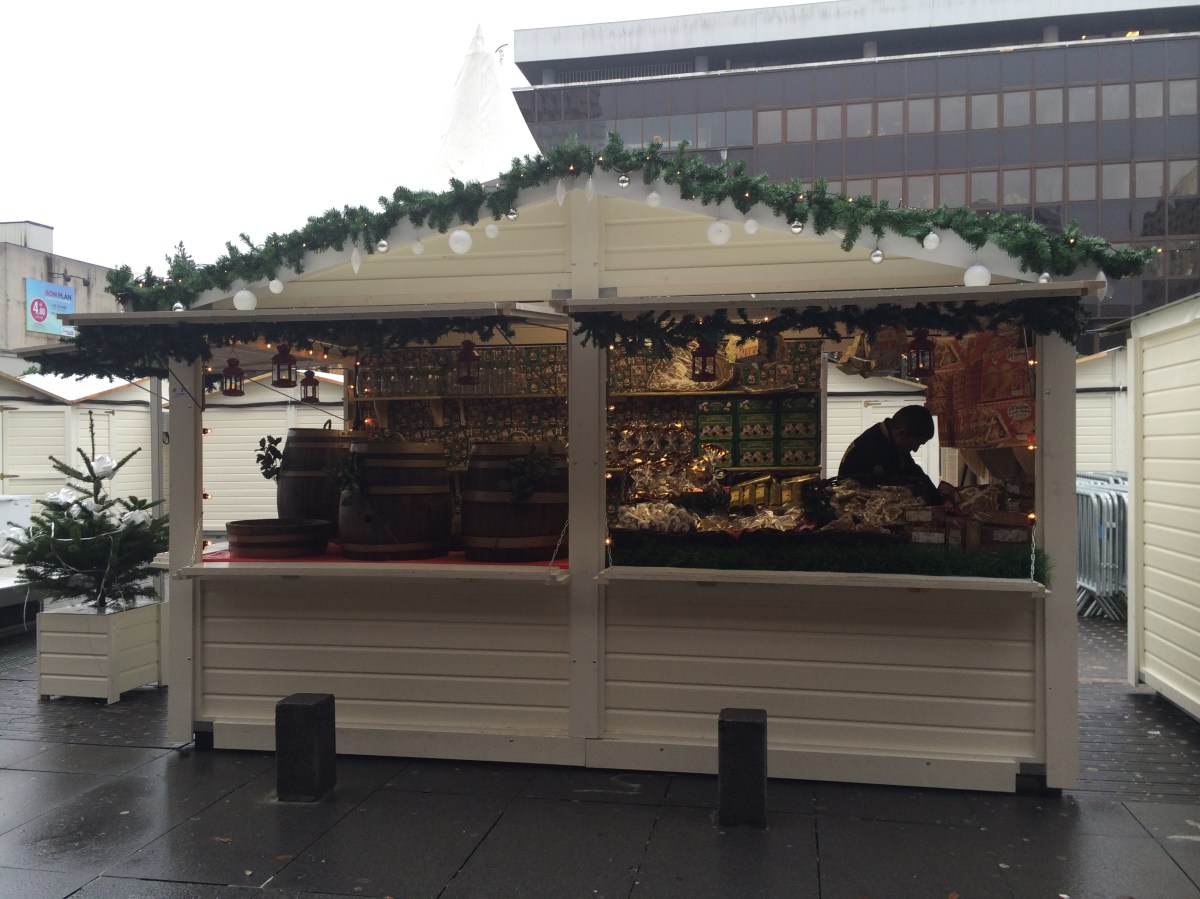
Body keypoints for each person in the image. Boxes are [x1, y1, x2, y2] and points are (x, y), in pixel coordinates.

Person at [837, 405, 947, 505]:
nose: (915, 449)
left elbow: (915, 474)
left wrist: (940, 503)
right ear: (902, 433)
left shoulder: (891, 441)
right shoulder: (871, 446)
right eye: (915, 443)